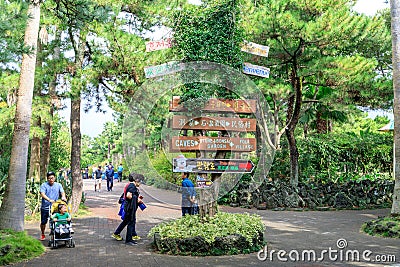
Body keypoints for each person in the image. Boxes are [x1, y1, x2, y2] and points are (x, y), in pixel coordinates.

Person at [112, 173, 143, 245]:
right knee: (131, 222)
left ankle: (118, 233)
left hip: (128, 206)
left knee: (126, 221)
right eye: (140, 181)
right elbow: (128, 195)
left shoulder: (130, 185)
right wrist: (137, 200)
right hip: (130, 207)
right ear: (136, 180)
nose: (140, 183)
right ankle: (129, 240)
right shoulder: (132, 186)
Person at [39, 171, 67, 241]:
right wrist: (49, 199)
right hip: (45, 206)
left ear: (54, 178)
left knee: (56, 220)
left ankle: (57, 233)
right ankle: (42, 233)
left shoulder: (58, 185)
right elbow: (42, 194)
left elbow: (62, 192)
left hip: (55, 207)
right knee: (43, 222)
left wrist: (63, 197)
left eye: (52, 178)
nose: (50, 180)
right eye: (49, 179)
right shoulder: (44, 185)